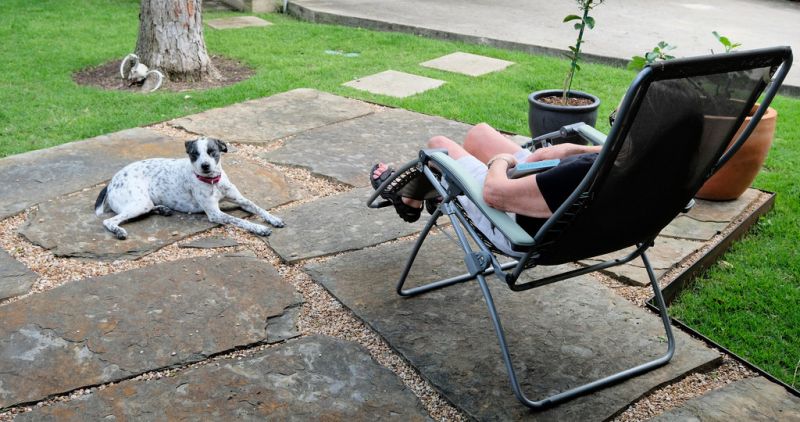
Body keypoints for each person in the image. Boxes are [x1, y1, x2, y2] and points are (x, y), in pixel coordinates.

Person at [371, 123, 601, 256]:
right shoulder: (630, 163)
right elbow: (620, 148)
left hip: (511, 222)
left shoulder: (583, 170)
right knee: (479, 135)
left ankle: (412, 196)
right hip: (560, 195)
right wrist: (578, 150)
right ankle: (432, 189)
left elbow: (494, 194)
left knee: (439, 147)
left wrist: (499, 162)